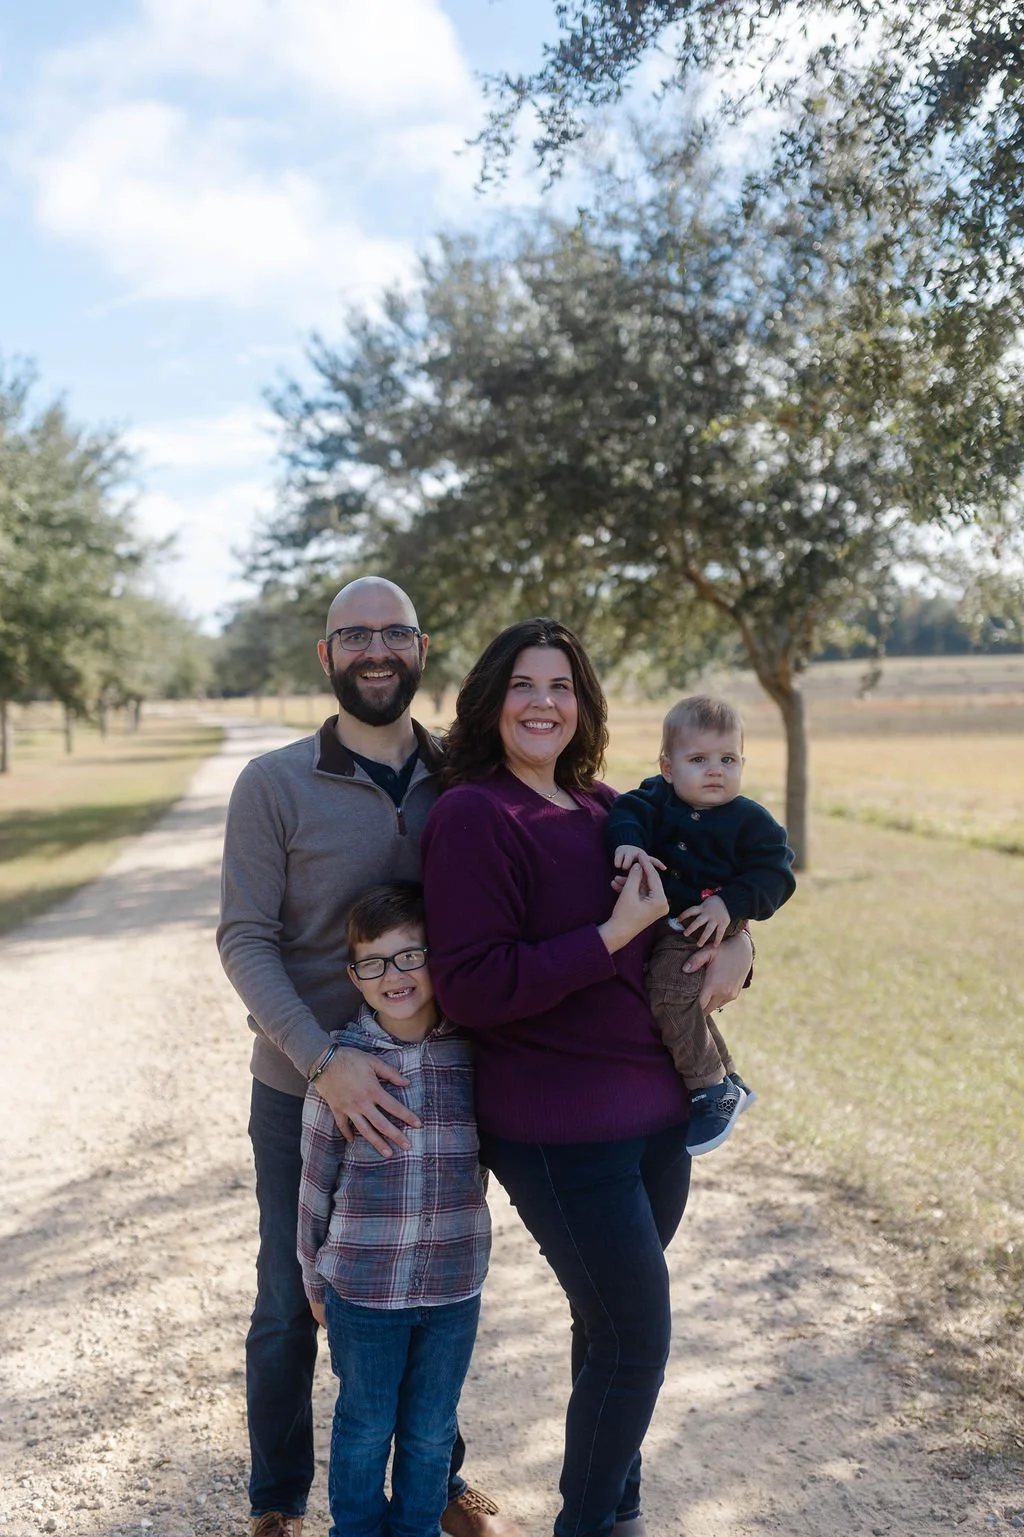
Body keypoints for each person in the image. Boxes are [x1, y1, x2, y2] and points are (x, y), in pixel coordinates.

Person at [420, 618, 753, 1537]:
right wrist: (606, 936)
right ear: (493, 701)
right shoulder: (472, 815)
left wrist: (743, 941)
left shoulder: (609, 806)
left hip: (659, 1121)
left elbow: (701, 903)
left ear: (584, 704)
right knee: (636, 1336)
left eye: (561, 685)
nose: (543, 702)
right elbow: (475, 986)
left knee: (609, 1334)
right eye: (525, 684)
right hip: (559, 1129)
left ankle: (619, 1514)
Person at [218, 576, 515, 1537]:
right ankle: (276, 1500)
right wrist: (321, 1062)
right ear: (327, 655)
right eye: (355, 635)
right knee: (290, 1298)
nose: (375, 650)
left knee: (429, 1277)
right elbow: (245, 939)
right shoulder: (272, 783)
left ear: (422, 648)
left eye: (393, 633)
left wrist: (729, 928)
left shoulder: (468, 778)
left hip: (443, 1082)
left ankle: (437, 1475)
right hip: (301, 1085)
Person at [298, 882, 490, 1537]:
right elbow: (314, 1183)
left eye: (410, 955)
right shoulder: (343, 1067)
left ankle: (417, 1528)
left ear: (440, 958)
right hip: (363, 1285)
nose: (394, 975)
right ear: (354, 975)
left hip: (453, 1282)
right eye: (374, 962)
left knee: (431, 1427)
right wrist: (312, 1277)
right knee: (365, 1424)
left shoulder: (474, 1053)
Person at [606, 694, 795, 1157]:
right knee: (679, 997)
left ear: (743, 763)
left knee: (671, 991)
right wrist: (629, 845)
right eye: (699, 759)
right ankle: (727, 1076)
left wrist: (731, 906)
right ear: (668, 767)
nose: (715, 770)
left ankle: (709, 1088)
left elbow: (776, 874)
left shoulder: (751, 821)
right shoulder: (657, 797)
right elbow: (627, 810)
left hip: (712, 922)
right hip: (673, 922)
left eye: (728, 759)